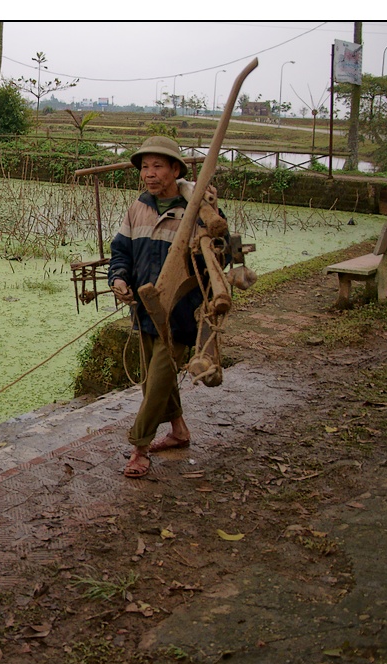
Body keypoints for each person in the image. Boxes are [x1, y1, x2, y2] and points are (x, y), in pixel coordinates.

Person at [106, 135, 227, 478]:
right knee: (151, 380)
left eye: (158, 166)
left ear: (176, 169)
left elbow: (223, 255)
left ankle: (139, 448)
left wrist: (213, 249)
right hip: (144, 309)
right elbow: (121, 253)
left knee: (158, 378)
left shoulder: (200, 210)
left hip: (181, 314)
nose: (150, 173)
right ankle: (179, 431)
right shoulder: (137, 208)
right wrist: (119, 279)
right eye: (145, 166)